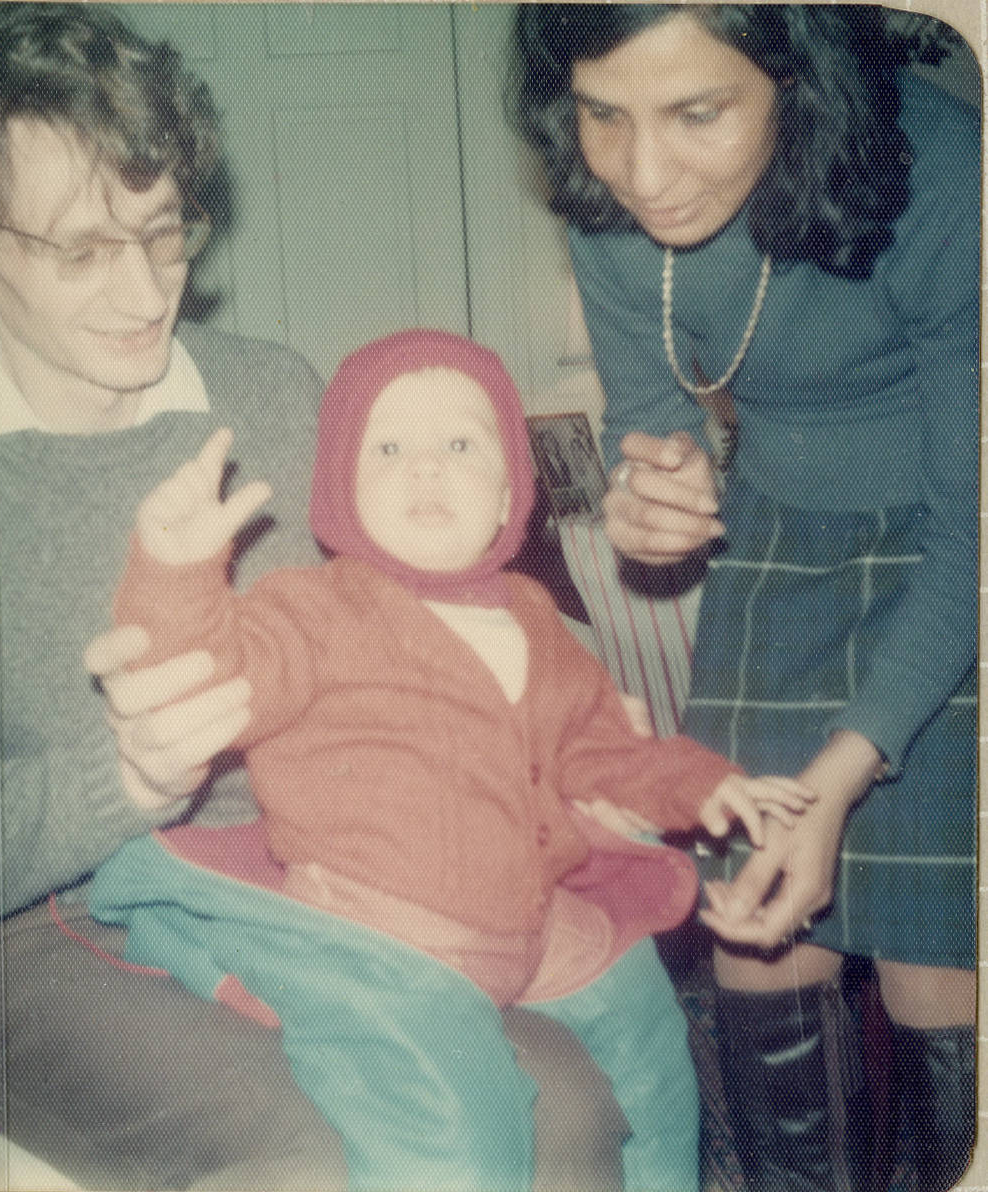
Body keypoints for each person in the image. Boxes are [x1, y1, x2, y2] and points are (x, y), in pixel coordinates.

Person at [0, 6, 630, 1189]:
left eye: (164, 232)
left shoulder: (275, 396)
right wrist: (125, 775)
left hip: (309, 873)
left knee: (570, 1104)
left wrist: (566, 743)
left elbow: (421, 643)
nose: (145, 290)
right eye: (81, 251)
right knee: (311, 1155)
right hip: (23, 935)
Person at [88, 327, 815, 1192]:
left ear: (510, 490)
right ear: (341, 484)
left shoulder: (536, 617)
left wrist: (706, 784)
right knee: (457, 1132)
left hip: (530, 917)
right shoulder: (311, 610)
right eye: (390, 448)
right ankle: (233, 960)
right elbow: (204, 673)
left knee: (655, 1046)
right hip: (378, 941)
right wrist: (175, 573)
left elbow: (601, 749)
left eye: (461, 445)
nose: (427, 469)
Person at [510, 6, 977, 1192]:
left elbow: (975, 531)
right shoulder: (607, 201)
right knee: (755, 938)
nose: (643, 172)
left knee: (938, 952)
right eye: (604, 114)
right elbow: (654, 424)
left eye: (697, 113)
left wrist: (840, 774)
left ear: (794, 77)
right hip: (777, 534)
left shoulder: (944, 170)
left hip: (952, 541)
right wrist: (651, 497)